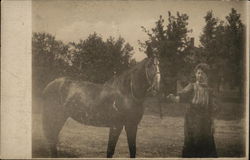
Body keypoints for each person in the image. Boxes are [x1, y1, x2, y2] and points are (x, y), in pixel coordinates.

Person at [167, 63, 218, 158]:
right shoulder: (192, 86)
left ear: (206, 75)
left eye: (202, 73)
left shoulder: (210, 90)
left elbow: (211, 108)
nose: (200, 75)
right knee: (192, 143)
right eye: (198, 73)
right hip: (192, 119)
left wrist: (212, 122)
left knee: (206, 143)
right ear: (195, 74)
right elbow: (182, 97)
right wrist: (173, 98)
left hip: (205, 120)